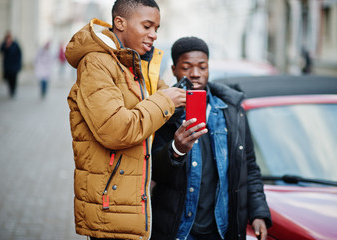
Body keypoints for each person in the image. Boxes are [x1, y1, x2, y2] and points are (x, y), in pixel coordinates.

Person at [65, 0, 185, 239]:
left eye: (157, 29)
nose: (153, 35)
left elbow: (162, 102)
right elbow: (116, 130)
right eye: (147, 26)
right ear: (119, 22)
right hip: (110, 205)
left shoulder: (132, 63)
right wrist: (165, 100)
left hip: (129, 202)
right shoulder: (96, 63)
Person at [151, 36, 272, 240]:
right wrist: (176, 149)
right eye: (186, 67)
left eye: (202, 67)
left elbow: (249, 166)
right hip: (179, 230)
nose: (195, 74)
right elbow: (152, 170)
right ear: (174, 70)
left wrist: (258, 213)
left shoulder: (231, 111)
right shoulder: (163, 112)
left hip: (220, 229)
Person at [0, 32, 22, 98]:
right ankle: (10, 89)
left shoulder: (15, 44)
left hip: (14, 64)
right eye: (7, 38)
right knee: (8, 78)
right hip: (7, 65)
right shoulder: (4, 44)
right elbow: (1, 50)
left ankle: (13, 90)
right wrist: (6, 47)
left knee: (14, 78)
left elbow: (19, 54)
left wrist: (19, 63)